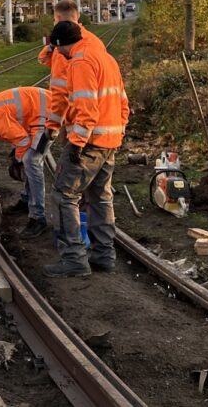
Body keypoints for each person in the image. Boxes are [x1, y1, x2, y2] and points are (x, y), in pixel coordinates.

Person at [44, 20, 129, 278]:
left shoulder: (80, 62)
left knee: (64, 195)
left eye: (56, 49)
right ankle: (104, 255)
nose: (58, 55)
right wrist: (118, 132)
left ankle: (74, 259)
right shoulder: (106, 58)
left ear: (60, 45)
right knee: (100, 197)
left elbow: (87, 108)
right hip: (109, 141)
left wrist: (76, 144)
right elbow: (123, 103)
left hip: (89, 143)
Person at [0, 87, 61, 239]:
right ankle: (27, 200)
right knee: (28, 159)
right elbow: (17, 134)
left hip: (48, 116)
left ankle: (38, 218)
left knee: (31, 161)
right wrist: (17, 156)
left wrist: (17, 160)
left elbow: (23, 141)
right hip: (43, 112)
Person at [40, 0, 105, 123]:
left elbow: (60, 91)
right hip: (102, 113)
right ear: (78, 16)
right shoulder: (96, 41)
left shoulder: (63, 46)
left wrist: (54, 123)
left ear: (58, 18)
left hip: (78, 117)